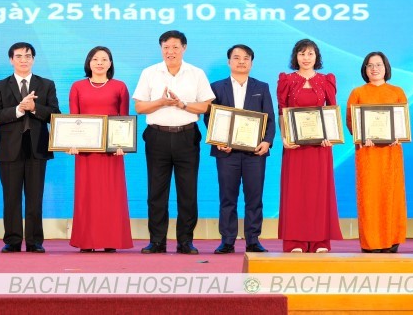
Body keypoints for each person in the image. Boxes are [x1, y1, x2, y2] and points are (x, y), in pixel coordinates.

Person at [133, 30, 214, 254]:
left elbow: (207, 106)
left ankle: (185, 241)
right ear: (161, 49)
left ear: (184, 48)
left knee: (187, 191)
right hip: (157, 136)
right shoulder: (149, 73)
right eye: (166, 47)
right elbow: (139, 107)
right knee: (156, 192)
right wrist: (160, 102)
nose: (170, 52)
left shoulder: (196, 73)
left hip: (187, 136)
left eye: (175, 47)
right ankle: (157, 241)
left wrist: (182, 105)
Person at [0, 42, 60, 253]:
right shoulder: (0, 86)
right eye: (18, 56)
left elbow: (55, 115)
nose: (23, 60)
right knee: (11, 197)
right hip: (9, 150)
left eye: (28, 56)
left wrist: (35, 107)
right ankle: (12, 240)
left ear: (33, 59)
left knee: (35, 198)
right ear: (11, 60)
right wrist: (18, 109)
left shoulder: (46, 84)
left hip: (37, 148)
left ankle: (34, 241)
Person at [205, 44, 275, 254]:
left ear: (251, 63)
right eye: (236, 58)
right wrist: (218, 140)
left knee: (254, 197)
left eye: (246, 58)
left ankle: (253, 240)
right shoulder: (216, 87)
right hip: (226, 153)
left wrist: (267, 142)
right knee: (228, 197)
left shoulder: (261, 87)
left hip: (255, 153)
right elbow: (210, 118)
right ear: (229, 62)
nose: (241, 61)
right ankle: (227, 241)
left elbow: (270, 118)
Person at [277, 38, 342, 253]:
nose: (306, 58)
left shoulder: (326, 80)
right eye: (302, 53)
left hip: (320, 147)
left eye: (310, 54)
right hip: (295, 147)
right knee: (295, 192)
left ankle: (319, 241)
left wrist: (331, 137)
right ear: (295, 57)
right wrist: (285, 137)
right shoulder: (286, 80)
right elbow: (282, 112)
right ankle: (295, 241)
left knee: (319, 192)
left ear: (317, 57)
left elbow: (331, 111)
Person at [68, 46, 133, 253]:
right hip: (85, 153)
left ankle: (110, 239)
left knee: (111, 196)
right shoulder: (77, 86)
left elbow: (123, 119)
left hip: (112, 152)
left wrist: (122, 144)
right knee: (86, 195)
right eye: (95, 59)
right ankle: (86, 241)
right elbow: (73, 119)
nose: (99, 63)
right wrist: (72, 143)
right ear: (88, 62)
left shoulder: (120, 87)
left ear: (110, 63)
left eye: (104, 59)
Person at [345, 51, 407, 253]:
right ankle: (371, 242)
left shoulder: (397, 92)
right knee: (369, 197)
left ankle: (392, 240)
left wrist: (399, 135)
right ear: (364, 69)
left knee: (392, 194)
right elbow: (350, 121)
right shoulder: (358, 92)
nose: (374, 69)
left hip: (391, 152)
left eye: (378, 64)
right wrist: (362, 135)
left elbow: (402, 121)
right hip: (367, 153)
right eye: (370, 65)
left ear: (386, 67)